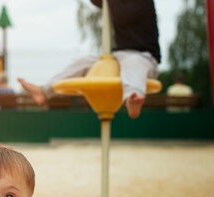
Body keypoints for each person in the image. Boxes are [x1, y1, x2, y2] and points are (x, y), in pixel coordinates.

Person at [17, 0, 160, 119]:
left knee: (134, 64)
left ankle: (133, 97)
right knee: (83, 62)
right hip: (117, 55)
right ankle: (44, 91)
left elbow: (124, 16)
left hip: (143, 55)